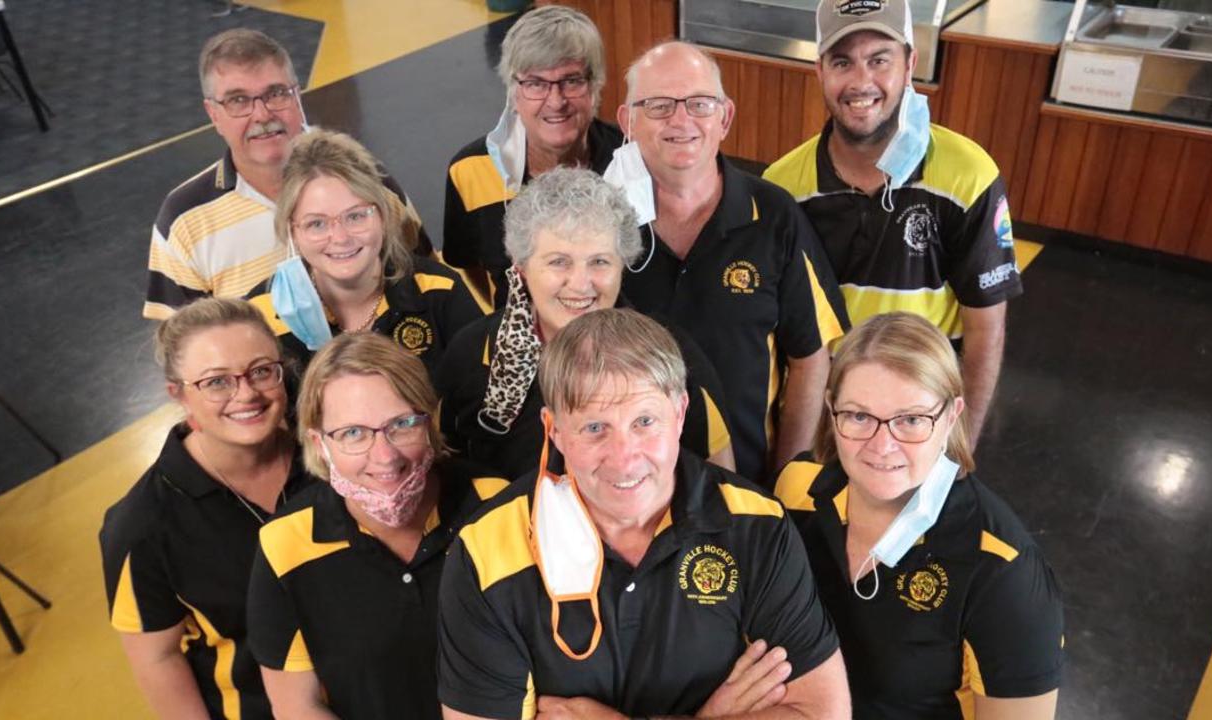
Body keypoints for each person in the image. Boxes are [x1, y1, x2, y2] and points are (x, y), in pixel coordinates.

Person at [438, 308, 850, 719]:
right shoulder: (486, 551)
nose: (624, 458)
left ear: (681, 413)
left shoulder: (758, 525)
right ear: (554, 431)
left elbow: (821, 713)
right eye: (595, 428)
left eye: (645, 421)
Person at [773, 312, 1063, 719]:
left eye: (910, 420)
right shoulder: (795, 491)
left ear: (951, 415)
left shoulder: (1003, 571)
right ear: (831, 409)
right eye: (859, 416)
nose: (882, 445)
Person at [764, 0, 1021, 449]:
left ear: (909, 65)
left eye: (879, 59)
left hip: (921, 419)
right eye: (842, 61)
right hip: (828, 417)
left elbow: (985, 328)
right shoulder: (783, 188)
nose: (861, 82)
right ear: (819, 72)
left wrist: (959, 451)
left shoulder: (969, 175)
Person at [614, 41, 849, 485]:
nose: (681, 120)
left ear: (724, 118)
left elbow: (811, 357)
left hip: (748, 484)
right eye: (659, 105)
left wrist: (786, 479)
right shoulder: (599, 222)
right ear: (628, 121)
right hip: (628, 487)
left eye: (700, 104)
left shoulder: (774, 215)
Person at [245, 332, 506, 719]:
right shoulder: (285, 545)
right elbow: (297, 705)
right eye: (353, 433)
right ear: (319, 444)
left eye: (401, 424)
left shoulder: (499, 508)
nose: (384, 457)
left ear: (429, 421)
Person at [436, 167, 734, 481]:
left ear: (623, 264)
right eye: (558, 262)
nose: (580, 284)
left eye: (599, 261)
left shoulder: (671, 355)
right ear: (521, 267)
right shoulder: (471, 354)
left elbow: (720, 487)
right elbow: (445, 467)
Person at [99, 297, 312, 719]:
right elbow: (158, 657)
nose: (246, 394)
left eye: (261, 371)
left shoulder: (331, 455)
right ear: (178, 394)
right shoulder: (142, 527)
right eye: (216, 382)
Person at [144, 28, 430, 319]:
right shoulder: (183, 220)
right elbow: (184, 345)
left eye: (276, 93)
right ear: (213, 114)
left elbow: (424, 276)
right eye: (238, 100)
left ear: (297, 96)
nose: (262, 115)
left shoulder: (366, 177)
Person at [246, 129, 483, 375]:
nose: (340, 237)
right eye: (316, 223)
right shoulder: (259, 316)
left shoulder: (439, 291)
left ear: (382, 215)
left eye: (355, 216)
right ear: (292, 232)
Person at [443, 5, 624, 308]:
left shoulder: (631, 161)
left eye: (572, 80)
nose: (556, 101)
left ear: (595, 85)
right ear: (513, 92)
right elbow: (471, 267)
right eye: (536, 84)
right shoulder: (469, 171)